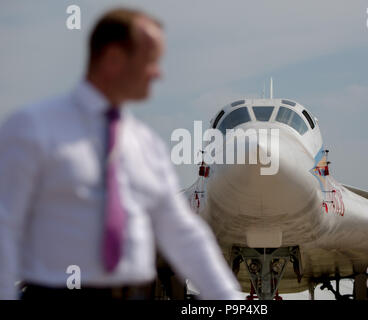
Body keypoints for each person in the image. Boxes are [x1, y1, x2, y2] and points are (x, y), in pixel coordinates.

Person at [0, 8, 241, 300]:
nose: (158, 72)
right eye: (150, 60)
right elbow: (7, 225)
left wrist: (231, 301)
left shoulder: (148, 145)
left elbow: (183, 234)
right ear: (114, 59)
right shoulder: (31, 128)